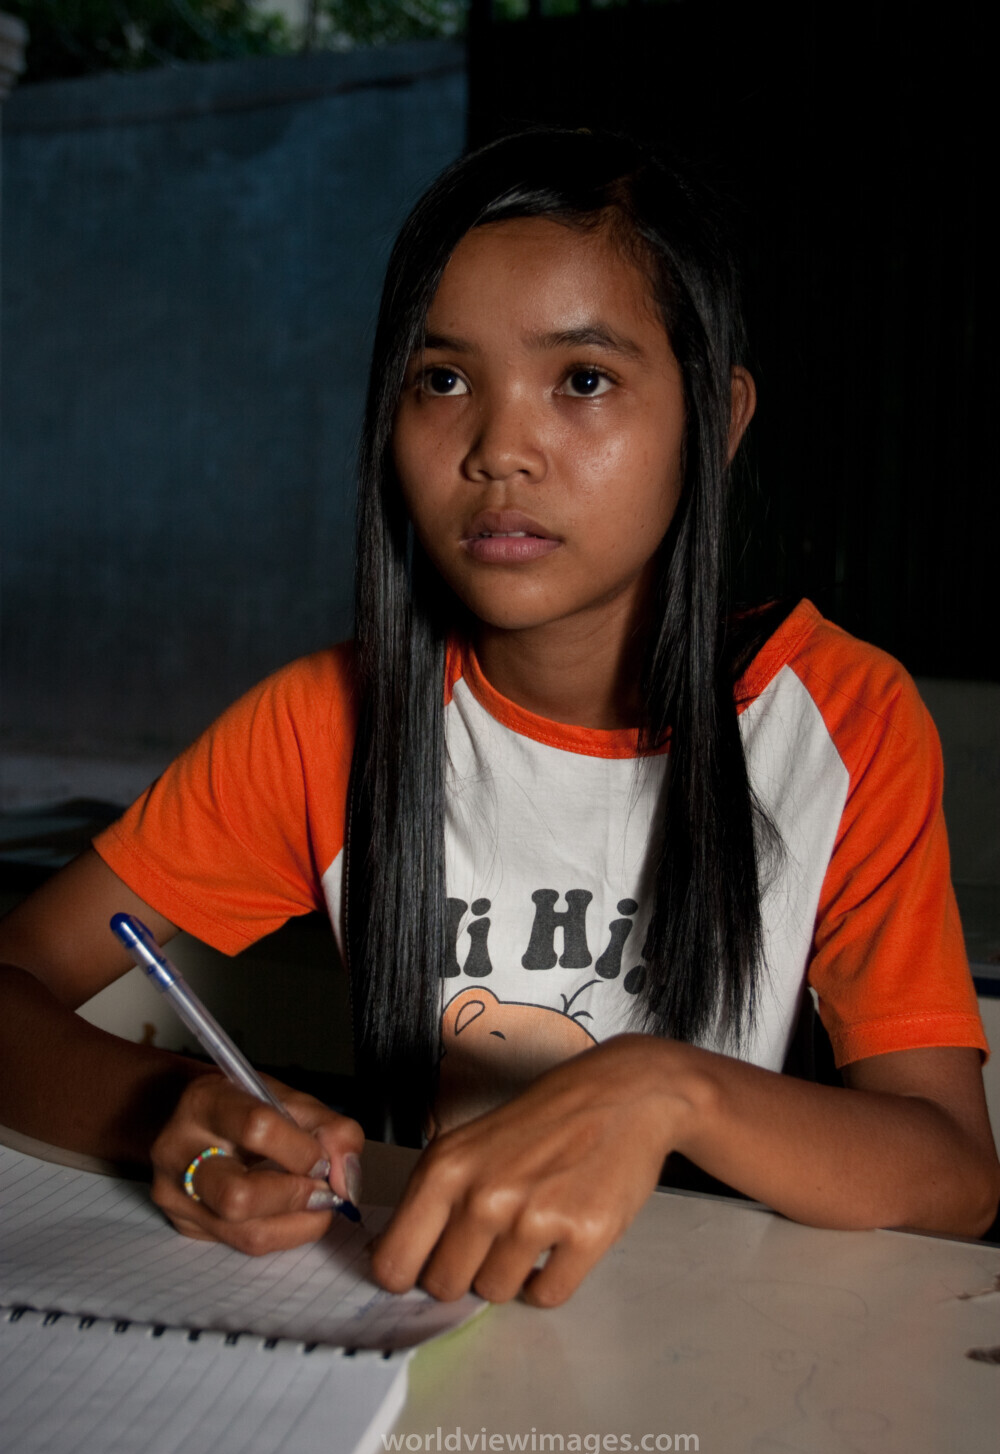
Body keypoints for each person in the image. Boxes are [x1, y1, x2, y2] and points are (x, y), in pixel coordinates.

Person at [0, 130, 996, 1307]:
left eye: (582, 380)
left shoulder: (835, 717)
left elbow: (951, 1171)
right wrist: (179, 1113)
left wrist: (665, 1087)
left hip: (726, 1342)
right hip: (428, 1326)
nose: (498, 451)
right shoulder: (325, 722)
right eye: (442, 380)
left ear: (715, 422)